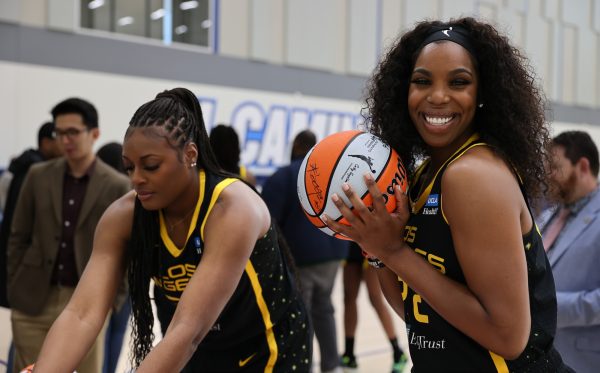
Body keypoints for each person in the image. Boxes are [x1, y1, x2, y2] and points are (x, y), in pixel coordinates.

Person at [322, 17, 573, 372]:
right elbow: (417, 312)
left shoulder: (472, 176)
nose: (437, 96)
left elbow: (509, 337)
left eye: (459, 82)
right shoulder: (426, 175)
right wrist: (378, 252)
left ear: (483, 95)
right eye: (422, 81)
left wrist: (393, 251)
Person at [30, 87, 312, 373]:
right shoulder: (123, 216)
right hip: (195, 352)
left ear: (190, 154)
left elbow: (187, 330)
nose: (137, 179)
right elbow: (81, 314)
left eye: (151, 166)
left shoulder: (232, 208)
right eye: (129, 168)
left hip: (269, 351)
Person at [7, 98, 131, 373]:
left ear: (94, 133)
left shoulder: (117, 185)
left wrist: (112, 301)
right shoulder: (37, 176)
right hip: (33, 298)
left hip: (87, 301)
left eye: (73, 131)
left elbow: (125, 251)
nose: (65, 139)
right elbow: (18, 235)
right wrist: (16, 285)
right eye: (59, 133)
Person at [262, 129, 347, 373]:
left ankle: (304, 366)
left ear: (296, 145)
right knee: (324, 309)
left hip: (302, 257)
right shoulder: (329, 174)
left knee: (302, 313)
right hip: (334, 252)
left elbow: (268, 222)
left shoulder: (283, 176)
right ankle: (332, 366)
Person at [540, 131, 600, 373]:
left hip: (583, 360)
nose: (548, 176)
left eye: (555, 168)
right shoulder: (547, 216)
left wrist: (549, 307)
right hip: (543, 357)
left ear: (582, 166)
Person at [1, 121, 62, 308]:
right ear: (46, 142)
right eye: (60, 138)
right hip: (28, 264)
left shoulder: (24, 167)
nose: (66, 144)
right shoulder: (35, 172)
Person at [340, 242, 407, 373]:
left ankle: (398, 352)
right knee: (348, 298)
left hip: (367, 240)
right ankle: (349, 354)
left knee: (375, 298)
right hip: (349, 242)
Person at [96, 141, 132, 373]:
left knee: (100, 339)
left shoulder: (100, 195)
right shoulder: (131, 196)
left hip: (101, 282)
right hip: (127, 283)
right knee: (116, 335)